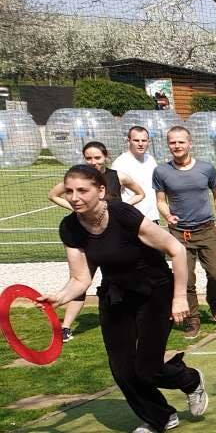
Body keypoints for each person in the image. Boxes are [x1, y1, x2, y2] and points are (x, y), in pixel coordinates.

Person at [40, 164, 207, 433]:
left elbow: (176, 249)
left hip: (154, 290)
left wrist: (179, 298)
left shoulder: (123, 214)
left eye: (82, 190)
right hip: (116, 294)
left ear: (100, 190)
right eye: (69, 191)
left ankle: (191, 380)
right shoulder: (70, 227)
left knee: (147, 369)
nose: (74, 197)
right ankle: (161, 416)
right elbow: (80, 278)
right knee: (122, 368)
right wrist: (58, 297)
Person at [47, 141, 146, 340]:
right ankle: (66, 327)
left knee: (125, 280)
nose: (93, 162)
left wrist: (123, 207)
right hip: (88, 237)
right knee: (80, 281)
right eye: (89, 158)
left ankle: (136, 320)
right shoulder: (78, 180)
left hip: (115, 236)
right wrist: (75, 207)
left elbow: (140, 193)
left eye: (97, 157)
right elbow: (53, 195)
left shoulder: (118, 176)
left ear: (105, 157)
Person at [153, 125, 216, 339]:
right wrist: (168, 215)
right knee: (185, 280)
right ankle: (192, 319)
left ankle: (214, 302)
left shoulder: (206, 168)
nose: (177, 146)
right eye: (172, 142)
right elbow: (160, 200)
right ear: (168, 145)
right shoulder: (161, 172)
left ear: (189, 143)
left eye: (181, 142)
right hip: (179, 233)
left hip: (206, 230)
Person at [111, 126, 161, 223]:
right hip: (132, 219)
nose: (140, 144)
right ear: (128, 141)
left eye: (144, 140)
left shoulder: (150, 160)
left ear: (149, 141)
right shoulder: (120, 163)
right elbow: (113, 194)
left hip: (152, 217)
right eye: (136, 140)